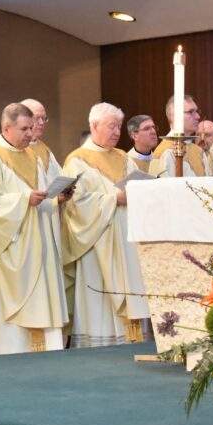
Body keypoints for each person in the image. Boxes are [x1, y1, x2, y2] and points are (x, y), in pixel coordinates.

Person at [0, 103, 72, 355]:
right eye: (24, 129)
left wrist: (56, 199)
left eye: (32, 128)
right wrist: (24, 200)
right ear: (6, 127)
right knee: (9, 332)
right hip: (5, 256)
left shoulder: (33, 156)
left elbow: (41, 197)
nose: (30, 134)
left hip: (37, 252)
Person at [61, 103, 150, 347]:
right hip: (97, 241)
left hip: (127, 238)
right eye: (111, 126)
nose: (116, 132)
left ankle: (134, 340)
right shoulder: (77, 160)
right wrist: (113, 199)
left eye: (119, 126)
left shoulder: (124, 158)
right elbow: (75, 203)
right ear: (94, 126)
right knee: (101, 296)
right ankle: (100, 345)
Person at [149, 94, 209, 176]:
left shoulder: (199, 151)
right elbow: (161, 188)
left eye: (197, 111)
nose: (198, 116)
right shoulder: (165, 152)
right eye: (191, 112)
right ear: (175, 116)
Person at [19, 98, 61, 183]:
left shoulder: (44, 150)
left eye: (44, 118)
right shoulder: (14, 148)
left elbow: (58, 179)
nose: (41, 123)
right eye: (37, 118)